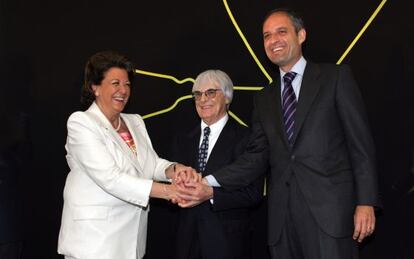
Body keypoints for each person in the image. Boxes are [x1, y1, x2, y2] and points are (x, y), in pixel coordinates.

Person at [186, 8, 380, 259]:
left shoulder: (336, 78)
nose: (273, 40)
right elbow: (254, 159)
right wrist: (207, 181)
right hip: (282, 223)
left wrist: (366, 202)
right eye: (267, 36)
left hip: (331, 216)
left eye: (281, 32)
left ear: (301, 35)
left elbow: (360, 146)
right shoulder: (263, 98)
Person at [57, 51, 197, 259]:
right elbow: (111, 178)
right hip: (95, 244)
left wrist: (176, 170)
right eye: (115, 83)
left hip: (131, 243)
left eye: (127, 84)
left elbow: (152, 164)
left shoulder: (135, 121)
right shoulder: (81, 122)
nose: (123, 90)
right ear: (94, 87)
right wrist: (170, 192)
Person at [171, 70, 264, 259]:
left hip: (227, 242)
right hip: (186, 241)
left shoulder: (248, 139)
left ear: (227, 97)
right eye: (198, 94)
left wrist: (211, 194)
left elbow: (253, 194)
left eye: (211, 92)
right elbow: (173, 186)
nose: (203, 99)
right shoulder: (182, 139)